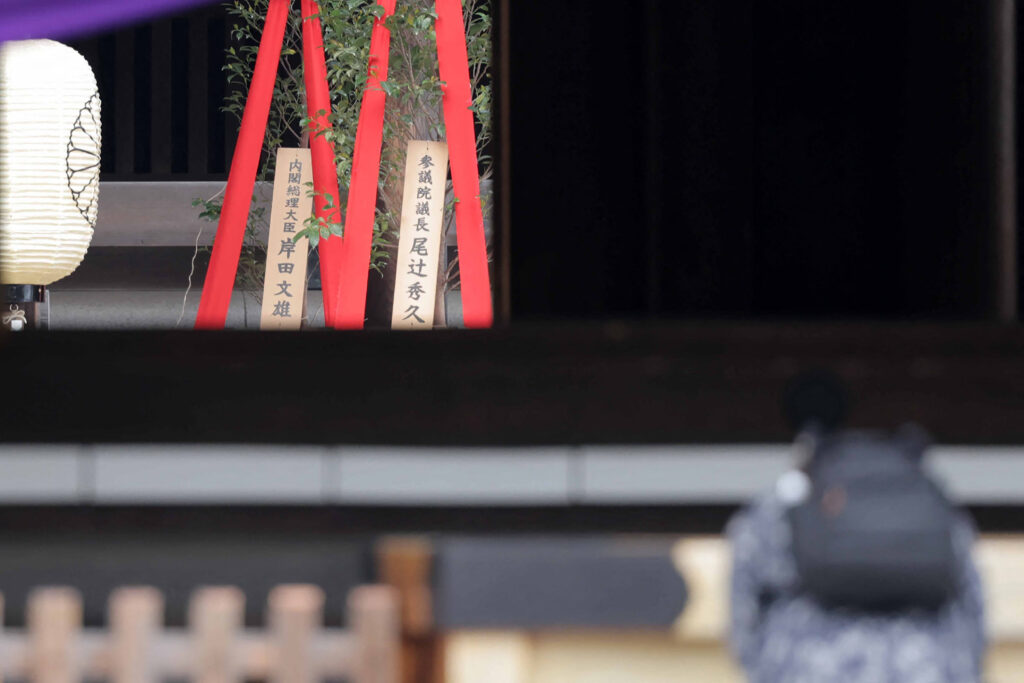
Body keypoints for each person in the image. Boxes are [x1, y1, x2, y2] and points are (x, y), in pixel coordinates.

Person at [727, 429, 986, 683]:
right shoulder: (934, 501)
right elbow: (971, 608)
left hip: (807, 665)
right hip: (926, 665)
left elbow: (745, 608)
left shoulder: (782, 504)